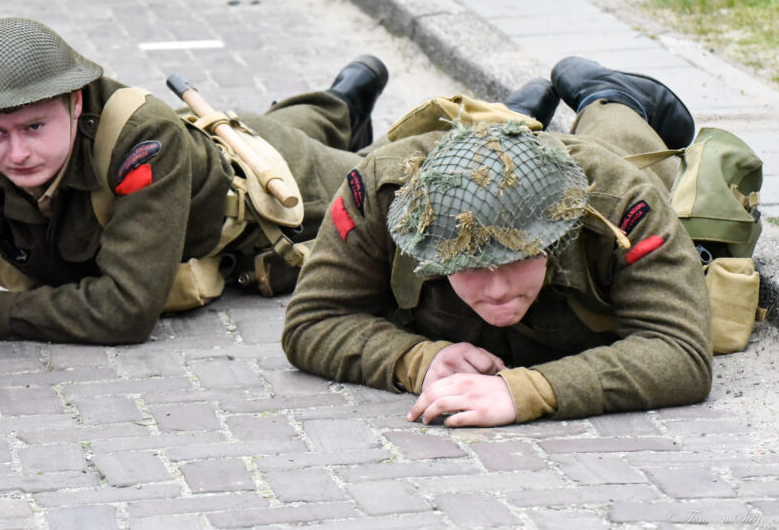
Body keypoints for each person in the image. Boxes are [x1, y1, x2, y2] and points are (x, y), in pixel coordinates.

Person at [0, 17, 388, 344]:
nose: (17, 152)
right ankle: (339, 103)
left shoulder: (144, 142)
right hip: (199, 150)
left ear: (75, 102)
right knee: (281, 122)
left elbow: (126, 309)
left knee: (381, 179)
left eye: (34, 127)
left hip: (264, 194)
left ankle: (344, 102)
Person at [281, 56, 712, 427]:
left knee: (622, 147)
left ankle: (610, 95)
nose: (498, 288)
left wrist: (530, 391)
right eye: (469, 265)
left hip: (600, 163)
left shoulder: (619, 204)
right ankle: (513, 116)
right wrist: (415, 359)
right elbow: (313, 321)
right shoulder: (382, 196)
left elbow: (679, 351)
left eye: (517, 257)